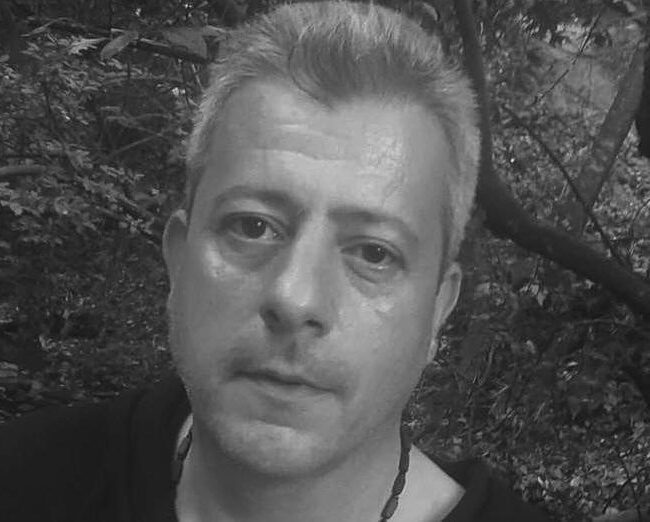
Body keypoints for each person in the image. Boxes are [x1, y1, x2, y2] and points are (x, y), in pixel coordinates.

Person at [0, 2, 552, 521]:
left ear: (438, 310)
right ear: (178, 260)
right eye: (253, 226)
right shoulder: (24, 479)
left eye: (374, 253)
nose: (294, 297)